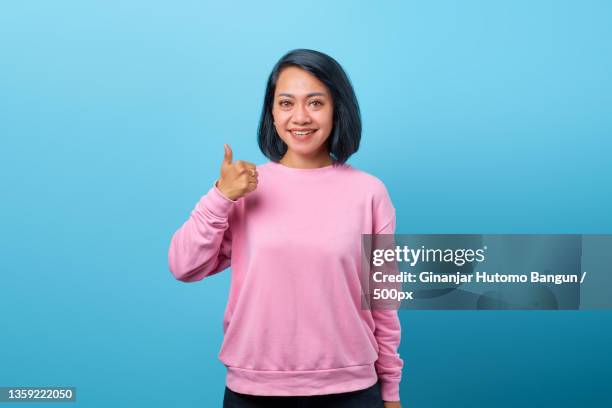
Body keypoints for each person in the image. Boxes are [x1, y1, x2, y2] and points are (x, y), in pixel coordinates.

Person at [168, 49, 403, 408]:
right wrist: (220, 196)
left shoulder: (369, 192)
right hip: (254, 391)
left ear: (337, 108)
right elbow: (184, 266)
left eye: (315, 103)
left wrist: (391, 391)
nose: (300, 117)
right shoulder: (244, 187)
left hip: (352, 390)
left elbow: (384, 301)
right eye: (286, 103)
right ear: (272, 112)